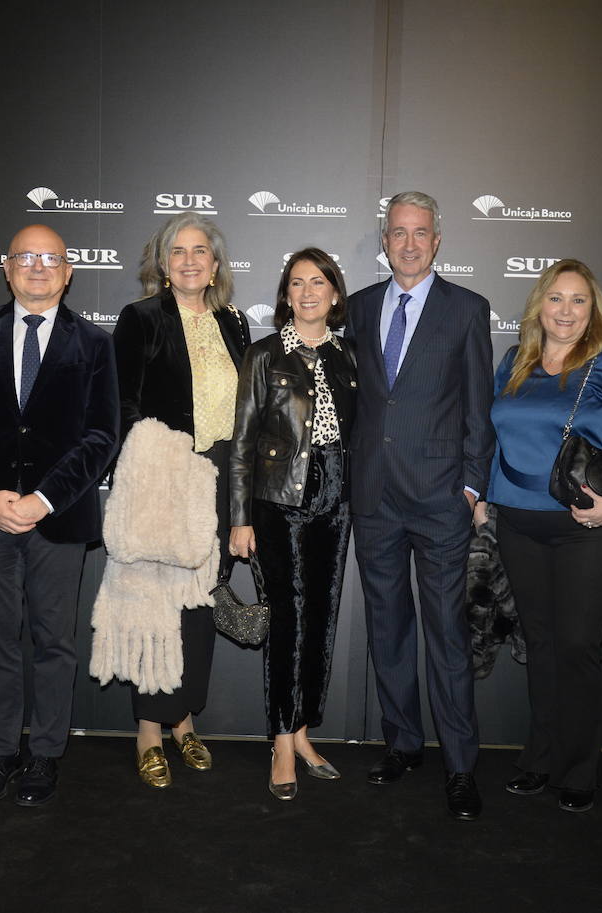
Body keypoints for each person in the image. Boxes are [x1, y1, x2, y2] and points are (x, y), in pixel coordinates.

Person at [0, 224, 119, 806]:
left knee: (53, 642)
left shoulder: (95, 344)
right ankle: (0, 753)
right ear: (7, 269)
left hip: (57, 521)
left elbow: (100, 436)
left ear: (68, 273)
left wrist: (41, 500)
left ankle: (44, 755)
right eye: (25, 257)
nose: (37, 267)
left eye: (51, 259)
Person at [480, 258, 602, 813]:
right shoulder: (515, 361)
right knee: (540, 644)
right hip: (518, 524)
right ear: (539, 305)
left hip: (588, 528)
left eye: (578, 300)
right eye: (556, 298)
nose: (566, 310)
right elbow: (497, 436)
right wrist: (485, 497)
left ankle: (579, 768)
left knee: (578, 646)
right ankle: (539, 758)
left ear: (593, 309)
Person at [347, 191, 494, 820]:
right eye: (398, 232)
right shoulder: (355, 308)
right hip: (374, 496)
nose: (409, 243)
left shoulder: (467, 310)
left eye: (421, 233)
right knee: (388, 628)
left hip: (440, 500)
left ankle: (460, 765)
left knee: (446, 633)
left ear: (438, 241)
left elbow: (478, 409)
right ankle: (403, 742)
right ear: (385, 240)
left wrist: (470, 486)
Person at [112, 213, 250, 787]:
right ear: (162, 265)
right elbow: (122, 405)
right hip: (162, 477)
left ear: (215, 264)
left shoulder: (234, 324)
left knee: (199, 604)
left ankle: (185, 722)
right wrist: (149, 477)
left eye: (201, 251)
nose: (190, 260)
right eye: (178, 252)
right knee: (155, 605)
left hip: (220, 480)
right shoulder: (140, 319)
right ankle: (148, 728)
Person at [228, 248, 357, 800]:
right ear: (285, 295)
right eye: (297, 283)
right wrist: (239, 519)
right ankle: (281, 738)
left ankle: (303, 731)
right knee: (287, 620)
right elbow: (242, 444)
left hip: (335, 500)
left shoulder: (348, 356)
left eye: (318, 282)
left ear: (333, 293)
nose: (307, 292)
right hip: (276, 503)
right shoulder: (263, 355)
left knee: (322, 619)